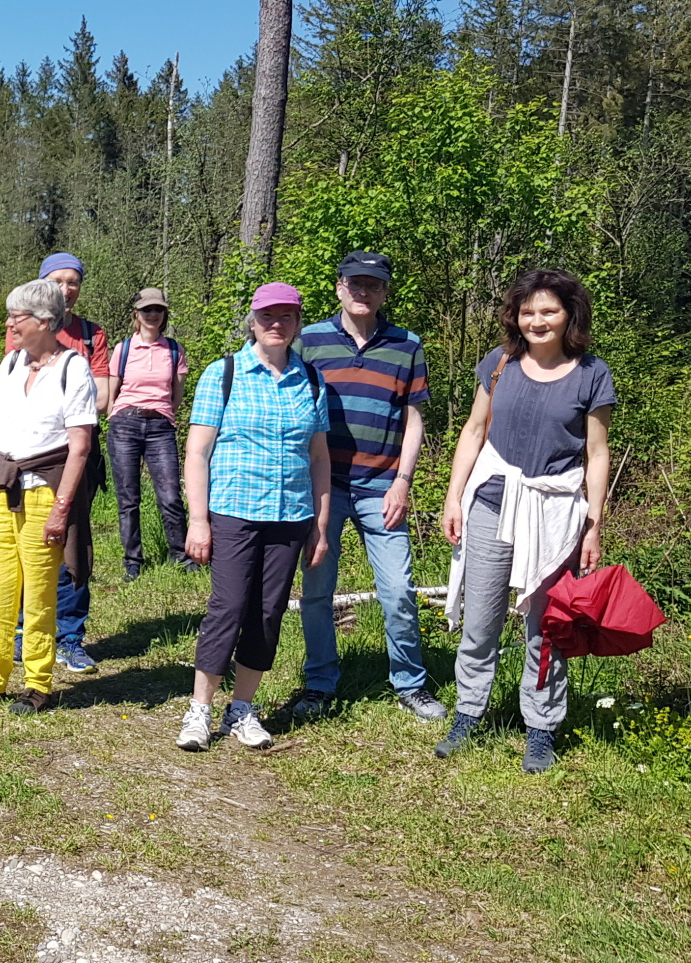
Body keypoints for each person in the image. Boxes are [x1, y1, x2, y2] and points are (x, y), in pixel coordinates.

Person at [437, 268, 614, 774]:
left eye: (549, 311)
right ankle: (469, 712)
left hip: (557, 512)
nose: (537, 320)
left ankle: (540, 728)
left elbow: (597, 454)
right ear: (516, 315)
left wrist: (593, 523)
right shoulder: (499, 363)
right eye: (527, 311)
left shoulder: (591, 373)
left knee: (547, 627)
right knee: (480, 621)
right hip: (491, 502)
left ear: (569, 316)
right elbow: (474, 431)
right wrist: (453, 498)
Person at [287, 252, 444, 723]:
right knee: (317, 589)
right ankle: (318, 682)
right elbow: (292, 406)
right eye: (354, 283)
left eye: (372, 285)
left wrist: (403, 482)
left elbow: (414, 419)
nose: (362, 291)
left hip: (382, 488)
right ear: (339, 287)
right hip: (323, 488)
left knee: (397, 590)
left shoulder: (406, 345)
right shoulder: (309, 339)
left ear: (385, 292)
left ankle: (410, 684)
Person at [177, 282, 332, 753]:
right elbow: (198, 452)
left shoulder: (311, 380)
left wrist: (320, 525)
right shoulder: (223, 373)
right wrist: (198, 521)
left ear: (298, 323)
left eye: (286, 317)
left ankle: (242, 708)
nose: (276, 324)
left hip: (290, 515)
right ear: (253, 320)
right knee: (228, 607)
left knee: (267, 614)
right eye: (268, 316)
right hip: (233, 512)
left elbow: (320, 458)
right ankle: (200, 710)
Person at [0, 280, 95, 715]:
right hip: (1, 489)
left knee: (38, 592)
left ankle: (38, 683)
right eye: (11, 315)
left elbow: (80, 446)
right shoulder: (11, 364)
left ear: (45, 322)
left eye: (19, 317)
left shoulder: (73, 368)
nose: (10, 323)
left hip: (42, 494)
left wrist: (61, 510)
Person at [2, 253, 110, 675]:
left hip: (74, 456)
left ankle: (69, 637)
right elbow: (17, 394)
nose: (68, 289)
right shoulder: (23, 328)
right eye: (59, 281)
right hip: (29, 458)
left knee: (67, 547)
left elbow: (102, 397)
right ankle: (21, 635)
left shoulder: (91, 334)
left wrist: (64, 404)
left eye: (74, 282)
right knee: (23, 548)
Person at [99, 287, 193, 582]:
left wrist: (162, 413)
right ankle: (132, 561)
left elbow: (176, 395)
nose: (153, 315)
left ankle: (182, 555)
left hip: (160, 428)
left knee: (170, 495)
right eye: (147, 310)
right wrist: (118, 415)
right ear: (136, 315)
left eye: (158, 310)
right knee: (128, 498)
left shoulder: (174, 350)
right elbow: (112, 393)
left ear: (164, 315)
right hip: (125, 425)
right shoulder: (123, 349)